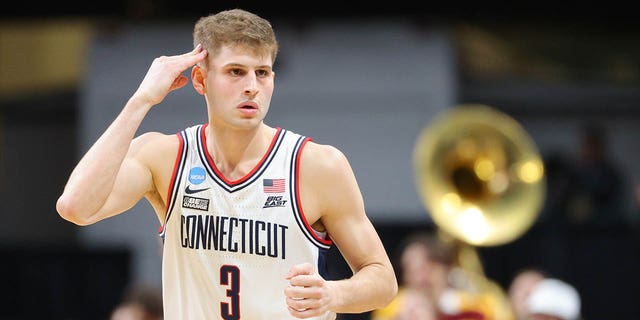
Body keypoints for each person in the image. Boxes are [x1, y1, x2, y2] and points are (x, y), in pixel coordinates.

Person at [56, 8, 397, 319]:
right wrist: (140, 101)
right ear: (201, 80)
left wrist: (333, 292)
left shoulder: (317, 165)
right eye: (236, 71)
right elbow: (76, 207)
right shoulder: (164, 156)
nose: (251, 87)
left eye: (262, 73)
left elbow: (382, 279)